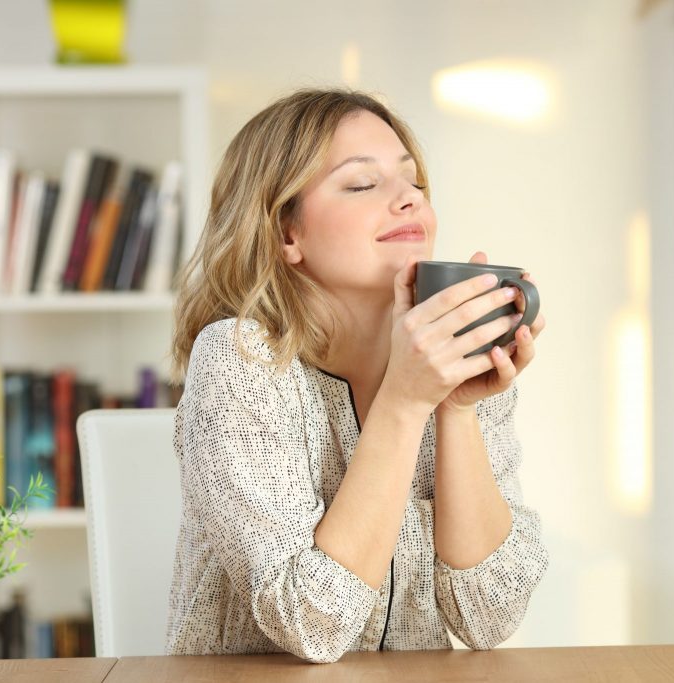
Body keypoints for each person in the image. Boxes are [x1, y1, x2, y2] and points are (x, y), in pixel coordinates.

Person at [165, 89, 548, 664]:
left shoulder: (452, 359)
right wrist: (404, 401)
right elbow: (311, 625)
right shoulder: (238, 361)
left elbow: (489, 616)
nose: (408, 201)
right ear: (285, 233)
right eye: (363, 185)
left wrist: (456, 406)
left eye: (414, 182)